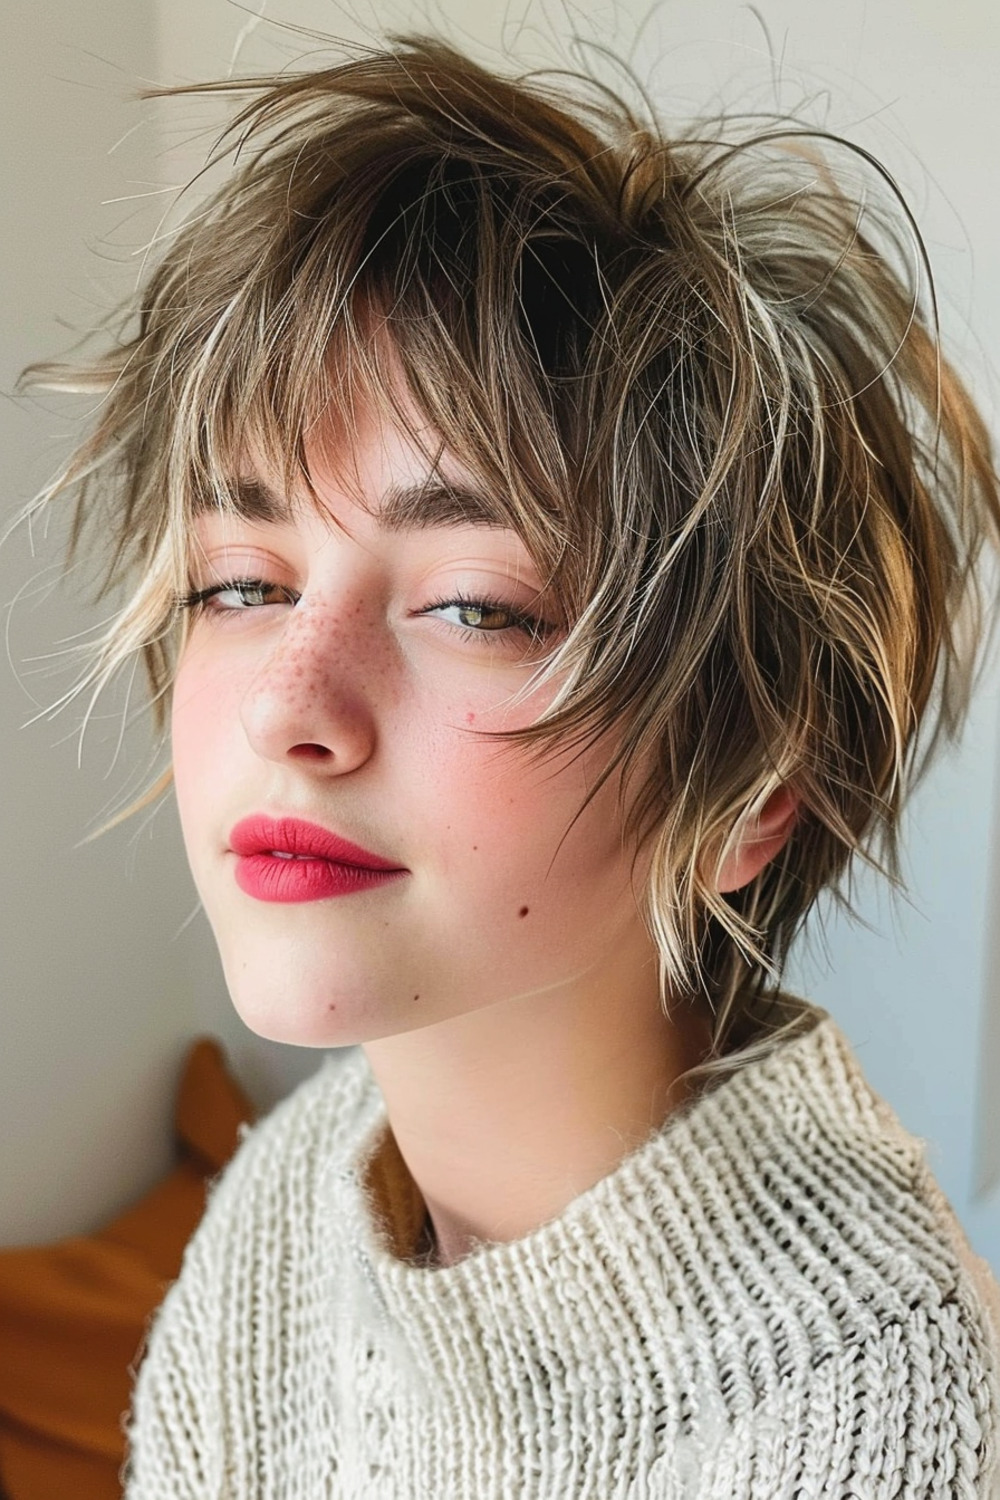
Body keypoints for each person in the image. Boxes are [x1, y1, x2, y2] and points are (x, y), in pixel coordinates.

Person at [19, 31, 1000, 1498]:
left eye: (476, 604)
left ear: (749, 796)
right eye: (241, 579)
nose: (295, 703)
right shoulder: (298, 1202)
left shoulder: (881, 1427)